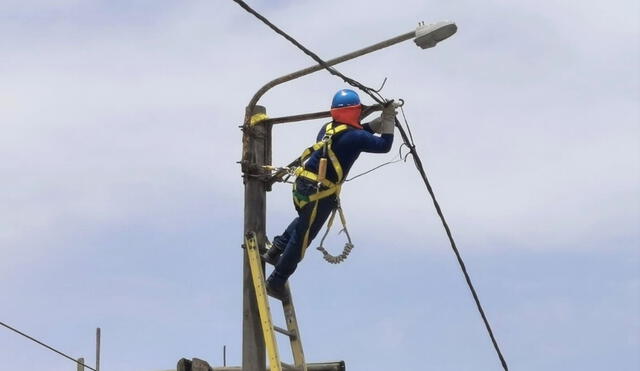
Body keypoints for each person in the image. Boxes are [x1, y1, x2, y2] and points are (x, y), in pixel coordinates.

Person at [263, 88, 397, 300]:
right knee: (301, 240)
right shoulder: (355, 137)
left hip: (303, 184)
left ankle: (275, 250)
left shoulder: (328, 128)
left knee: (303, 222)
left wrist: (379, 121)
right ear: (355, 111)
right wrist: (388, 120)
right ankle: (276, 281)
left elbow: (358, 132)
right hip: (321, 192)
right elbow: (384, 145)